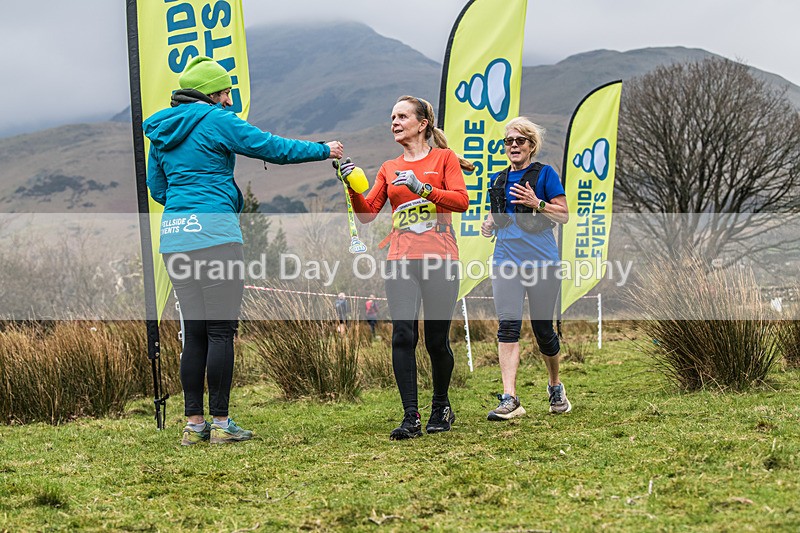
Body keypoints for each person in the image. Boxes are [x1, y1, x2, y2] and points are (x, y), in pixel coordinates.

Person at [143, 56, 344, 445]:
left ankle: (194, 425)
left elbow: (158, 188)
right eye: (226, 92)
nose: (229, 99)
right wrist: (323, 149)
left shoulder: (162, 130)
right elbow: (271, 147)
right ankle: (221, 423)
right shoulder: (217, 120)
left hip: (176, 238)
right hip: (216, 236)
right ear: (212, 93)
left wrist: (187, 202)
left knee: (194, 333)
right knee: (221, 331)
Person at [340, 95, 472, 440]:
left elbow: (461, 201)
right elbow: (367, 214)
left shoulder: (444, 158)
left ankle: (441, 406)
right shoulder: (389, 167)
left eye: (401, 116)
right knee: (402, 335)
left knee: (436, 341)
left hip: (441, 259)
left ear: (422, 124)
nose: (394, 123)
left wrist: (423, 188)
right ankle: (410, 416)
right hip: (400, 260)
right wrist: (352, 187)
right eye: (392, 117)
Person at [480, 116, 571, 420]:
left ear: (532, 145)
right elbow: (496, 215)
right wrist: (489, 224)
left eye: (520, 140)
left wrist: (537, 203)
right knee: (507, 327)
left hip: (542, 262)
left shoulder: (545, 175)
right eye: (509, 141)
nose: (514, 146)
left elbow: (564, 215)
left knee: (543, 330)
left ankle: (555, 385)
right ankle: (510, 398)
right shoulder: (498, 180)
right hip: (506, 260)